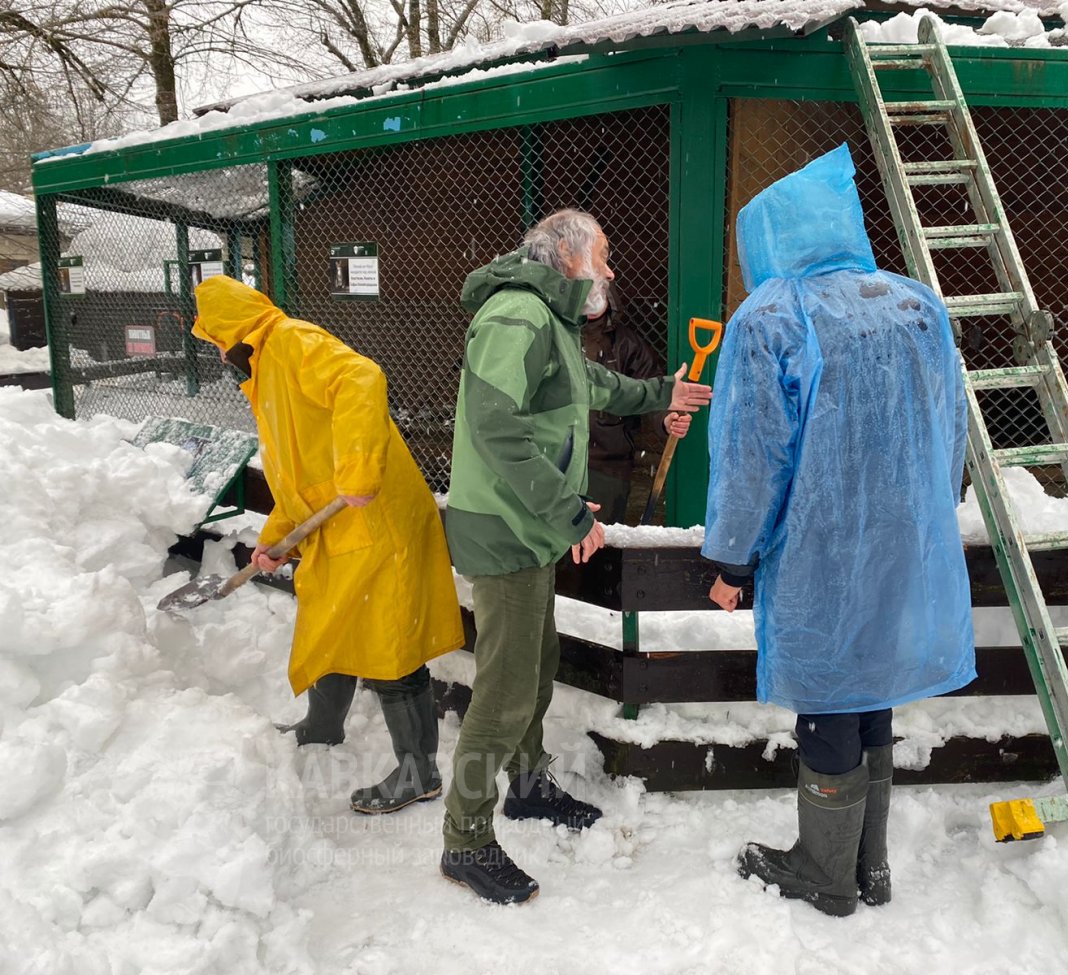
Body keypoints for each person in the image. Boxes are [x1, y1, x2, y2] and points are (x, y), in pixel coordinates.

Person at [702, 145, 976, 917]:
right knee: (872, 688)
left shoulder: (774, 315)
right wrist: (930, 508)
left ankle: (826, 874)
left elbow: (755, 455)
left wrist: (730, 554)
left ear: (770, 238)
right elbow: (950, 427)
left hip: (822, 544)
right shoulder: (917, 302)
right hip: (906, 538)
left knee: (827, 693)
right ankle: (872, 865)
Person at [439, 209, 712, 905]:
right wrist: (564, 511)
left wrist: (662, 396)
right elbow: (497, 431)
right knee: (503, 690)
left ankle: (528, 787)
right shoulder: (517, 318)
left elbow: (590, 388)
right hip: (506, 529)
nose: (613, 270)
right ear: (568, 258)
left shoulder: (551, 321)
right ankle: (464, 839)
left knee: (538, 666)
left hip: (525, 522)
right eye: (606, 255)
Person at [191, 275, 465, 815]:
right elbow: (299, 476)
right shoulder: (264, 375)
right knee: (331, 618)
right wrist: (273, 544)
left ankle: (419, 771)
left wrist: (360, 468)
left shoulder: (291, 341)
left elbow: (361, 378)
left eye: (218, 342)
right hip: (337, 524)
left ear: (236, 331)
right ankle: (323, 726)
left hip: (376, 516)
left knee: (389, 645)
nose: (221, 356)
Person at [581, 286, 688, 523]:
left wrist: (665, 418)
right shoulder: (556, 335)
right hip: (558, 459)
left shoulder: (626, 344)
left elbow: (649, 386)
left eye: (598, 291)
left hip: (606, 463)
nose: (592, 298)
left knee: (602, 542)